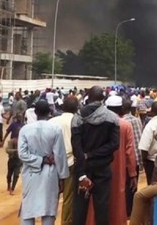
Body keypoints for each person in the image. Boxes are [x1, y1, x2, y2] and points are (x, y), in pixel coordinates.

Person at [71, 86, 120, 225]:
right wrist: (92, 154)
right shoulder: (112, 118)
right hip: (103, 168)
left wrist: (83, 162)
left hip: (82, 168)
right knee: (102, 207)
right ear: (103, 99)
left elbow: (76, 146)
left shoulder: (78, 117)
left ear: (88, 97)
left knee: (79, 208)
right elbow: (114, 144)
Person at [18, 100, 69, 225]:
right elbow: (60, 154)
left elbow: (22, 154)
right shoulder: (55, 129)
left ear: (35, 112)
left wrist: (39, 160)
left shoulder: (25, 130)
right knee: (49, 209)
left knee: (28, 208)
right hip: (50, 174)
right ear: (50, 112)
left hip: (30, 173)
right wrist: (63, 177)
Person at [105, 95, 138, 225]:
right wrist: (133, 173)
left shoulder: (102, 123)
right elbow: (129, 151)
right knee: (119, 197)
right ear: (121, 110)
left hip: (101, 166)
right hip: (119, 167)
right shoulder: (125, 125)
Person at [49, 96, 78, 225]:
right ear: (77, 108)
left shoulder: (52, 121)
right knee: (68, 197)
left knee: (51, 196)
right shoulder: (77, 121)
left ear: (62, 107)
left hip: (53, 163)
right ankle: (65, 222)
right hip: (70, 162)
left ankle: (49, 221)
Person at [122, 98, 143, 216]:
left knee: (125, 185)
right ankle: (132, 210)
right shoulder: (137, 120)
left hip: (126, 157)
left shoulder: (121, 121)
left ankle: (127, 210)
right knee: (134, 184)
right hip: (136, 157)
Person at [5, 129, 21, 195]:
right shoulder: (11, 142)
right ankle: (9, 185)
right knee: (9, 174)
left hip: (18, 160)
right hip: (12, 159)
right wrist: (15, 150)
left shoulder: (22, 142)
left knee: (16, 175)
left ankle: (12, 188)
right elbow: (7, 150)